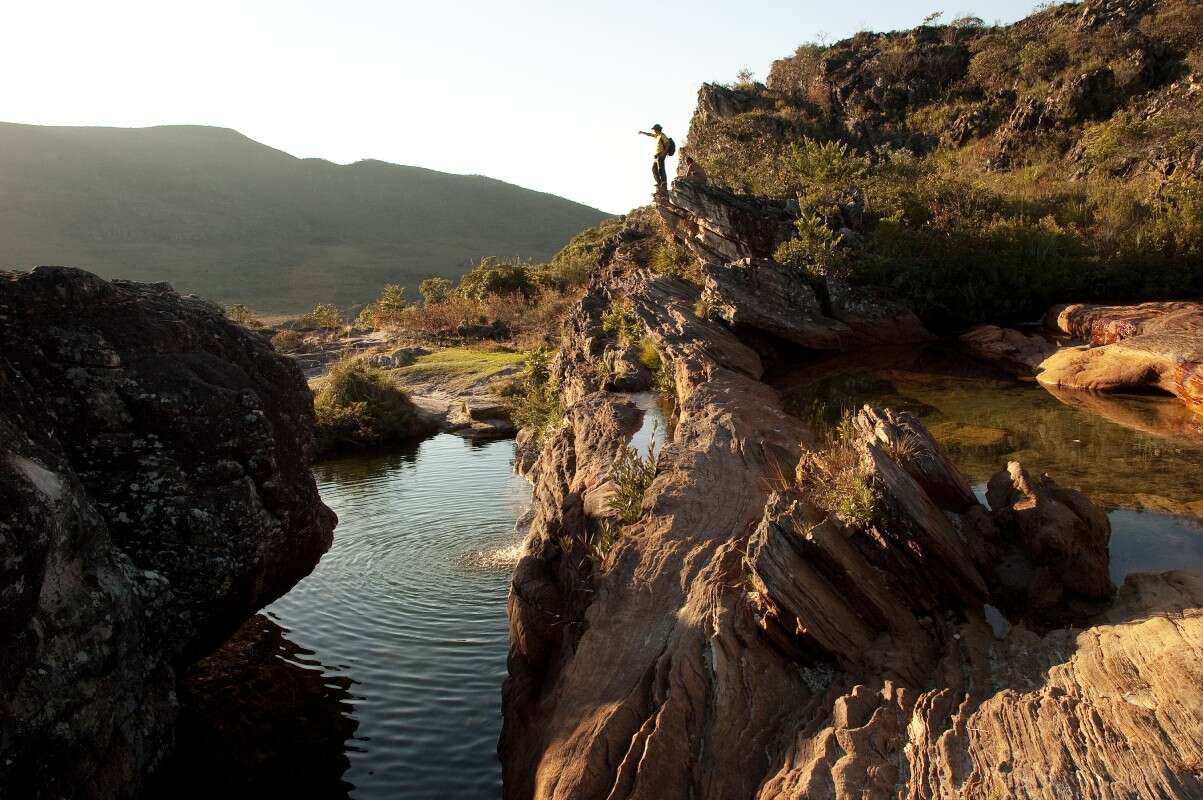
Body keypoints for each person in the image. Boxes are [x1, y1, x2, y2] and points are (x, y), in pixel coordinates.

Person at [638, 124, 670, 192]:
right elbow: (650, 134)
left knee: (661, 169)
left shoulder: (662, 135)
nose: (654, 131)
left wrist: (664, 153)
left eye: (654, 129)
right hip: (656, 156)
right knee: (654, 169)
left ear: (658, 129)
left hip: (661, 154)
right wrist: (642, 132)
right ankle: (659, 183)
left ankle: (664, 184)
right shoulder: (657, 136)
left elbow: (668, 144)